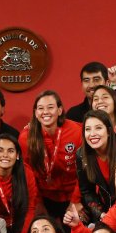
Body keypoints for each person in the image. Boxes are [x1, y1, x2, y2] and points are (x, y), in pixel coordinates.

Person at [18, 90, 82, 221]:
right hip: (44, 198)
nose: (45, 112)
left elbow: (85, 170)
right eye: (40, 108)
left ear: (60, 110)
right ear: (36, 113)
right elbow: (27, 175)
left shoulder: (76, 131)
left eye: (50, 107)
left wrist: (76, 201)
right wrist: (38, 204)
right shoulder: (26, 138)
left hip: (75, 195)